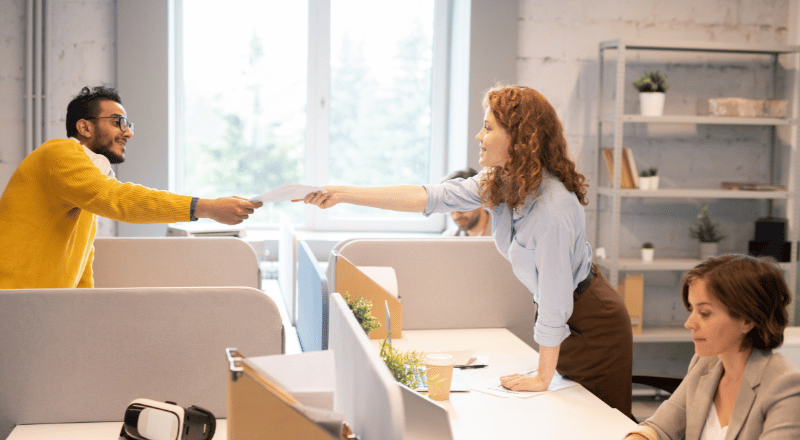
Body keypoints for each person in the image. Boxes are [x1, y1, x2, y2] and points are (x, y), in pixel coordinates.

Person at [300, 85, 634, 417]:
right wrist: (344, 193)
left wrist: (543, 374)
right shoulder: (503, 180)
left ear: (519, 139)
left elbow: (555, 296)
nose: (479, 136)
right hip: (565, 316)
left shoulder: (553, 210)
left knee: (598, 420)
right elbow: (430, 197)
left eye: (488, 128)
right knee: (567, 416)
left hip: (593, 323)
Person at [0, 86, 262, 289]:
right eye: (117, 122)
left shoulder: (88, 180)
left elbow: (82, 261)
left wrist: (80, 311)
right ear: (85, 127)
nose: (128, 133)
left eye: (128, 125)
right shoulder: (59, 154)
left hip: (33, 306)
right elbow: (120, 199)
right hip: (12, 300)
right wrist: (205, 207)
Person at [624, 255, 800, 440]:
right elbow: (659, 428)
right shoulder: (706, 364)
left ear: (747, 320)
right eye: (691, 310)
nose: (689, 323)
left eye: (705, 313)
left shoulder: (784, 387)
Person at [440, 168, 492, 237]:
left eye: (461, 208)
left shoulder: (505, 233)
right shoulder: (449, 237)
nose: (456, 216)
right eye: (450, 210)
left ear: (480, 198)